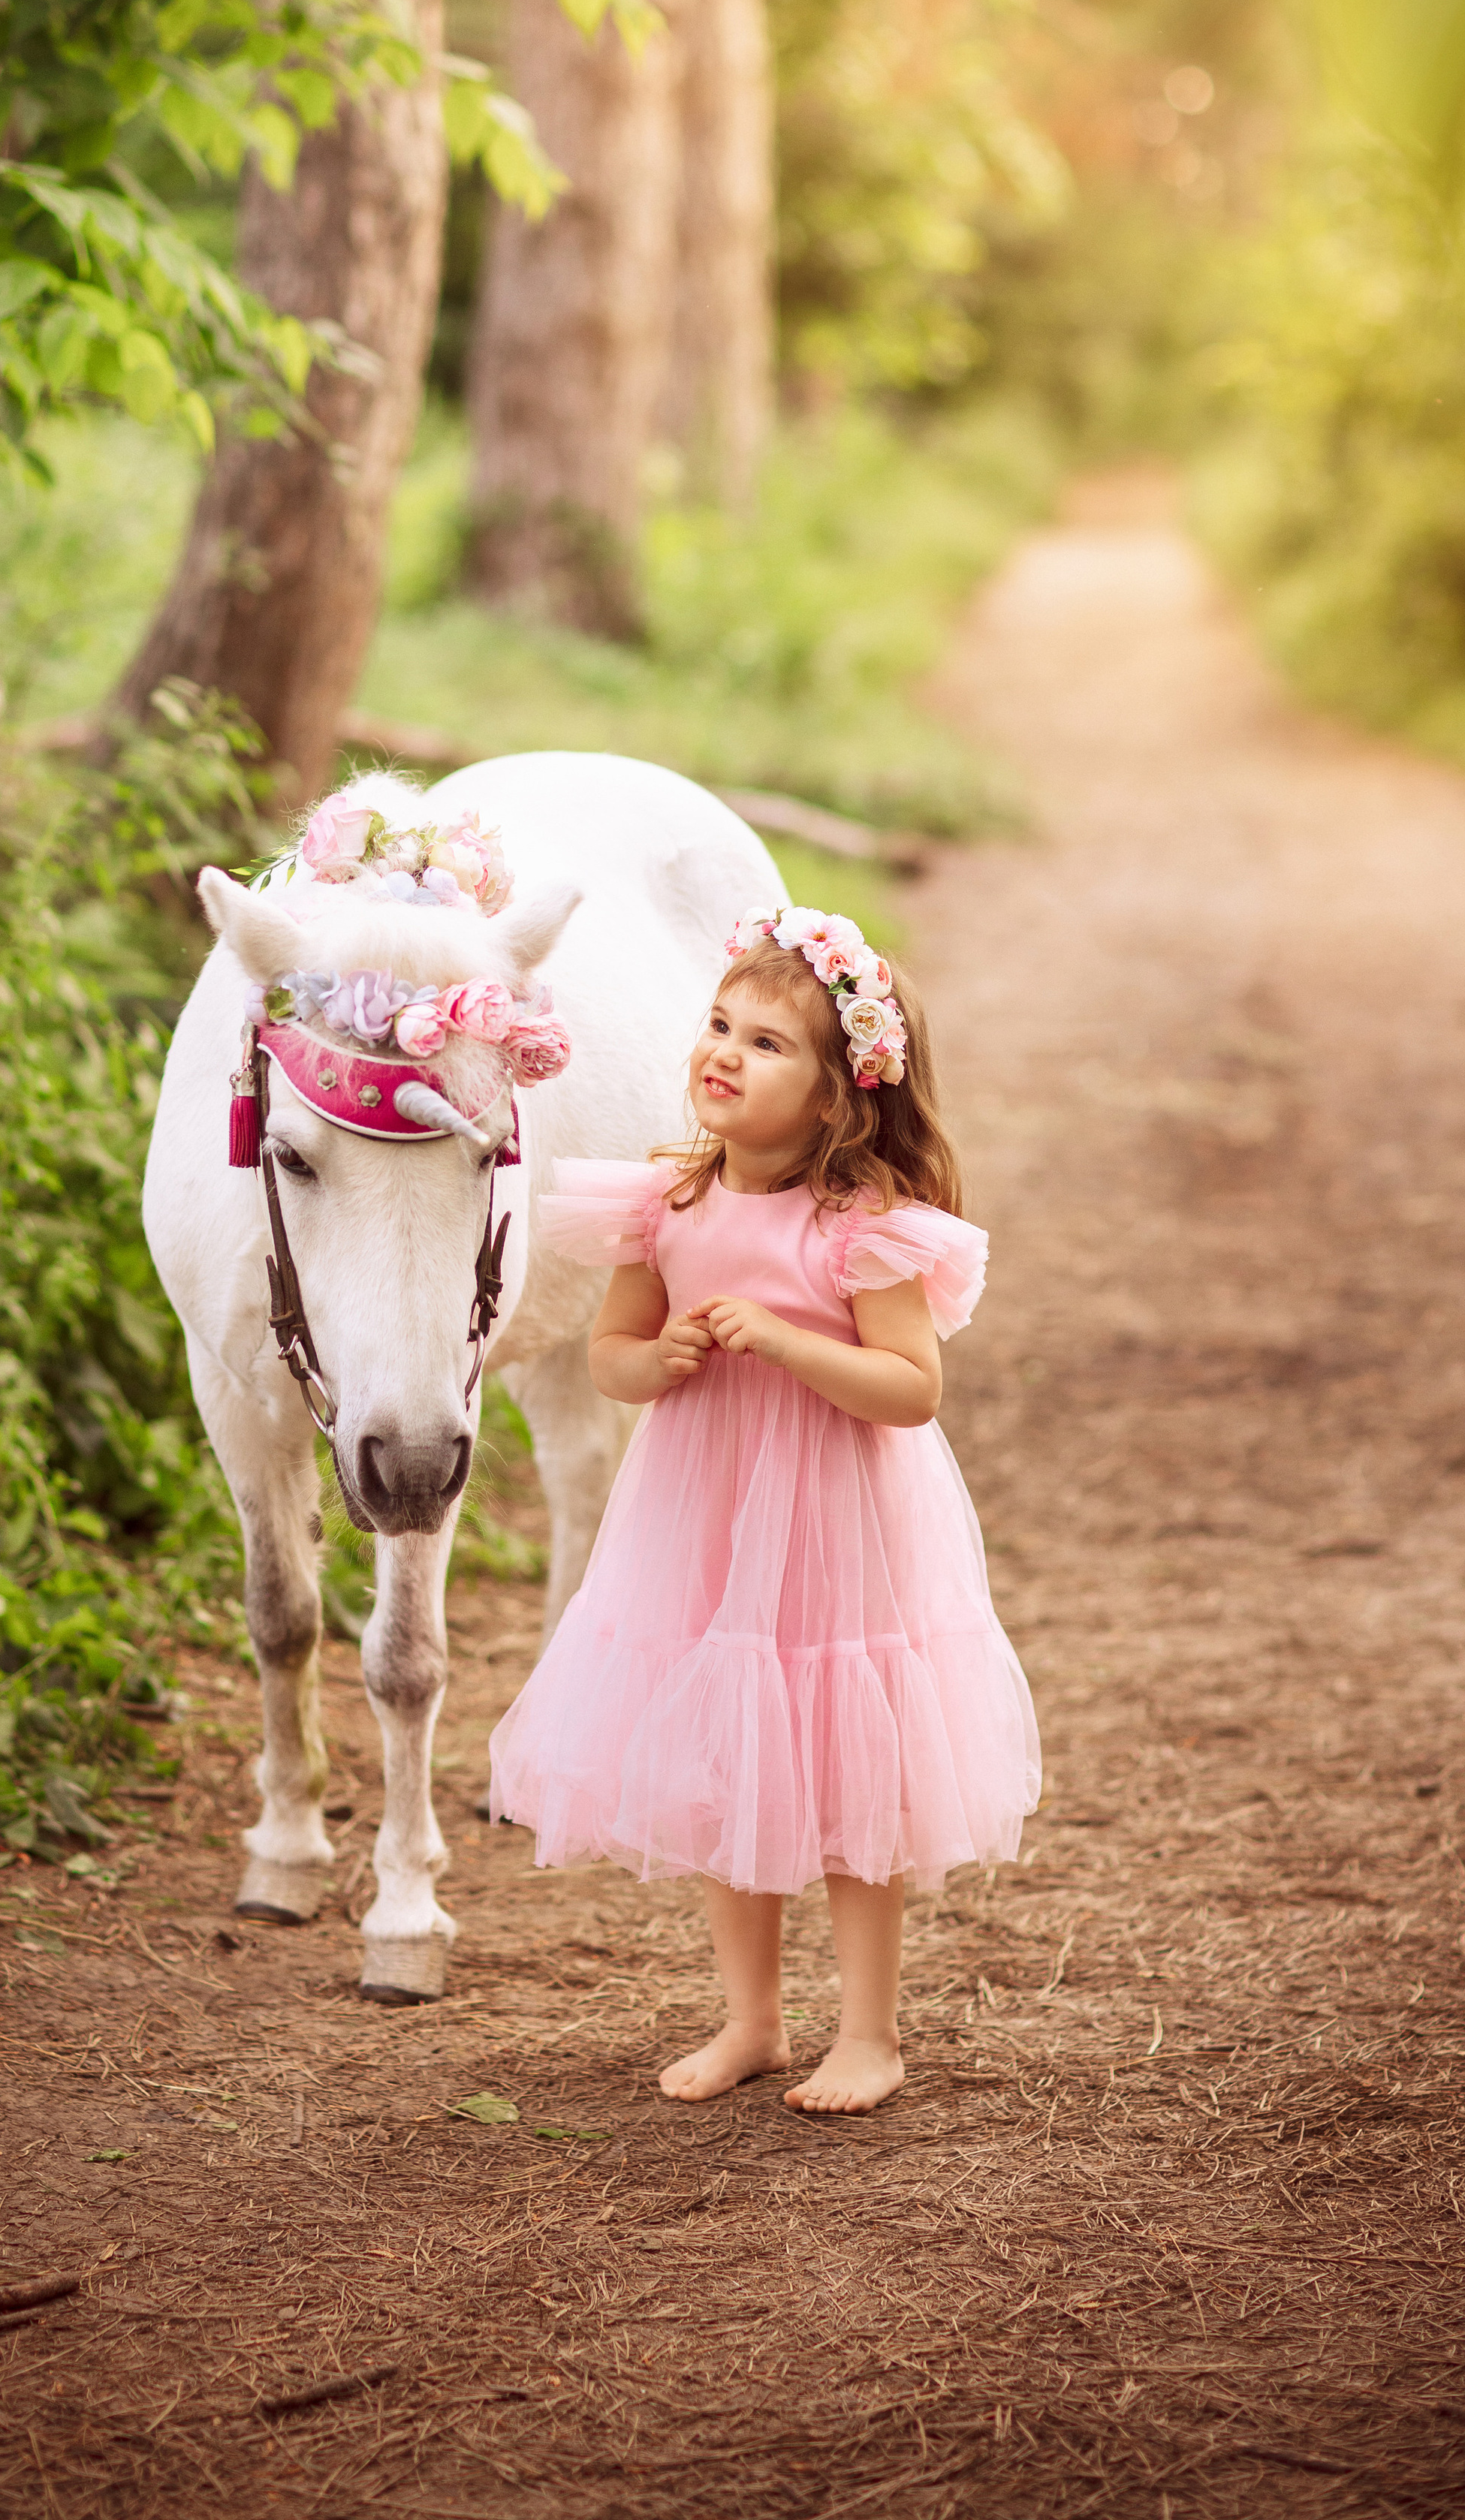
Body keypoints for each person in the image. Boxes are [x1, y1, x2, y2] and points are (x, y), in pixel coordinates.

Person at [489, 905, 1041, 2114]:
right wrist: (665, 1354)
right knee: (729, 1759)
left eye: (769, 1044)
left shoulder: (864, 1231)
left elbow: (911, 1389)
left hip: (838, 1527)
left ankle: (871, 2032)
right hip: (705, 1518)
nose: (724, 1054)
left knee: (847, 1769)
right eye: (719, 1025)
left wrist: (790, 1343)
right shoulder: (665, 1202)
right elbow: (607, 1357)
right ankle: (751, 2020)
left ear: (842, 1096)